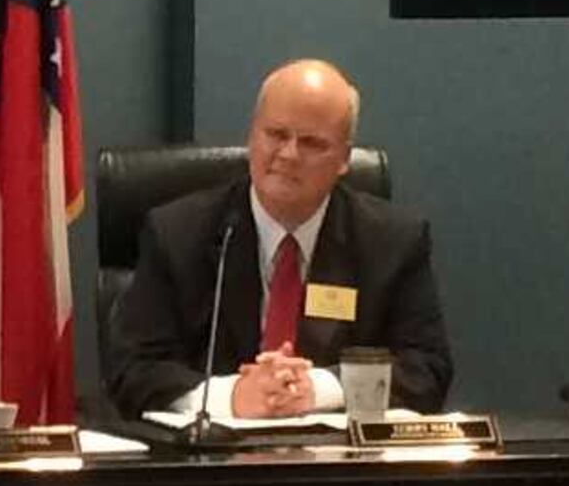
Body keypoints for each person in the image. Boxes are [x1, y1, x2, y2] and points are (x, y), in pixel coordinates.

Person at [104, 58, 451, 420]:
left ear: (345, 159)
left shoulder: (391, 241)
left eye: (313, 143)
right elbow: (133, 370)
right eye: (276, 134)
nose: (288, 155)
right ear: (252, 135)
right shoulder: (179, 233)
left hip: (339, 470)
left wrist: (317, 390)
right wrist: (232, 395)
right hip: (209, 469)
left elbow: (427, 369)